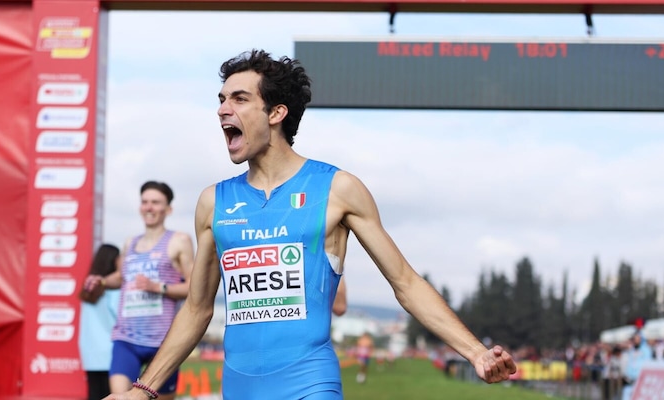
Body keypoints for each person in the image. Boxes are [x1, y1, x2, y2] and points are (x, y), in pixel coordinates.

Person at [103, 49, 516, 400]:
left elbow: (405, 283)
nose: (223, 109)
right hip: (239, 387)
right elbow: (197, 310)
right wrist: (143, 390)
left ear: (276, 113)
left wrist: (476, 352)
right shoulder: (214, 202)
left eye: (240, 99)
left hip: (310, 384)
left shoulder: (337, 189)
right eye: (222, 99)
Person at [86, 181, 194, 400]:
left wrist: (158, 287)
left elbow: (194, 288)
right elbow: (122, 278)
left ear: (168, 209)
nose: (149, 207)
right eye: (145, 202)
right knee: (119, 397)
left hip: (163, 343)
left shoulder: (179, 241)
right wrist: (103, 281)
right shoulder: (130, 242)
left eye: (155, 202)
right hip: (127, 339)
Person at [79, 243, 122, 400]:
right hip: (111, 354)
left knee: (94, 394)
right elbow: (121, 319)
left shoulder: (88, 290)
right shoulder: (114, 290)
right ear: (113, 261)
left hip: (90, 354)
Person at [621, 329, 653, 399]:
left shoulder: (646, 350)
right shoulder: (631, 350)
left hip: (640, 380)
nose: (635, 340)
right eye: (634, 339)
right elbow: (629, 363)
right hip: (629, 380)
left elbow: (647, 364)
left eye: (637, 338)